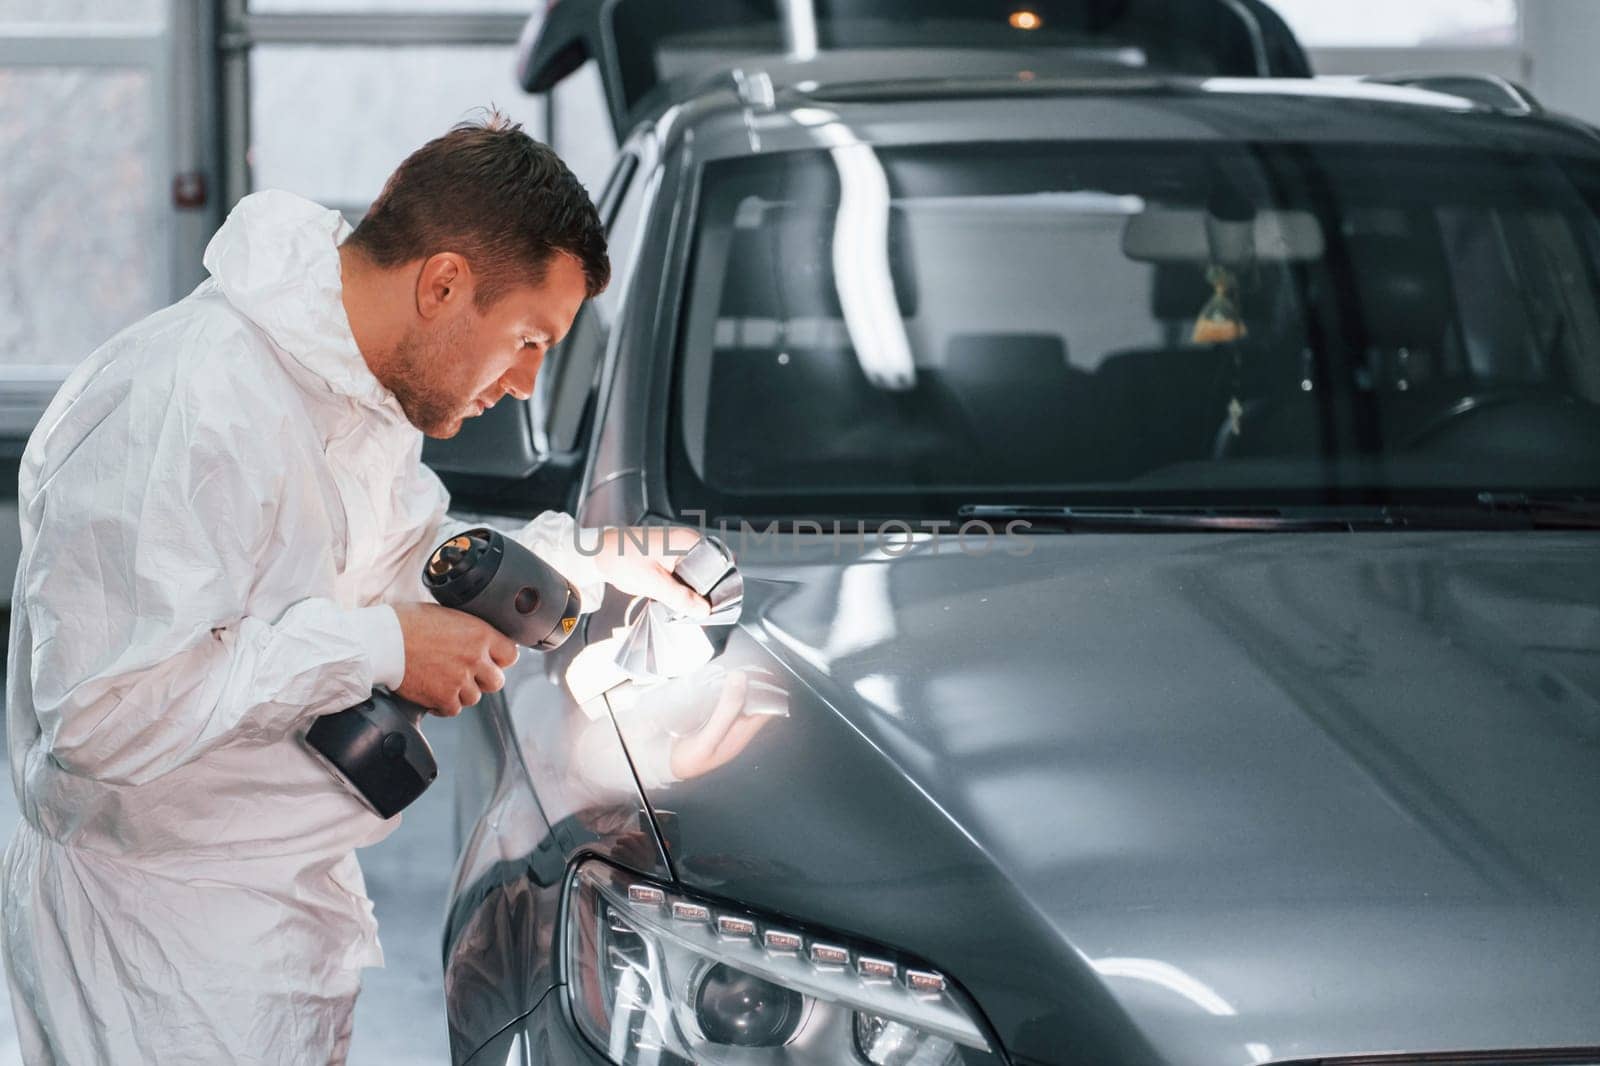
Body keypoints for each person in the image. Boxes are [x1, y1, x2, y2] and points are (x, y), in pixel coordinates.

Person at [1, 113, 708, 1065]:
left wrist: (582, 559)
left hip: (274, 921)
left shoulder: (357, 395)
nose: (530, 383)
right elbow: (99, 716)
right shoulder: (189, 398)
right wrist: (383, 648)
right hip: (155, 960)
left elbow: (406, 553)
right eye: (529, 339)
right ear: (445, 283)